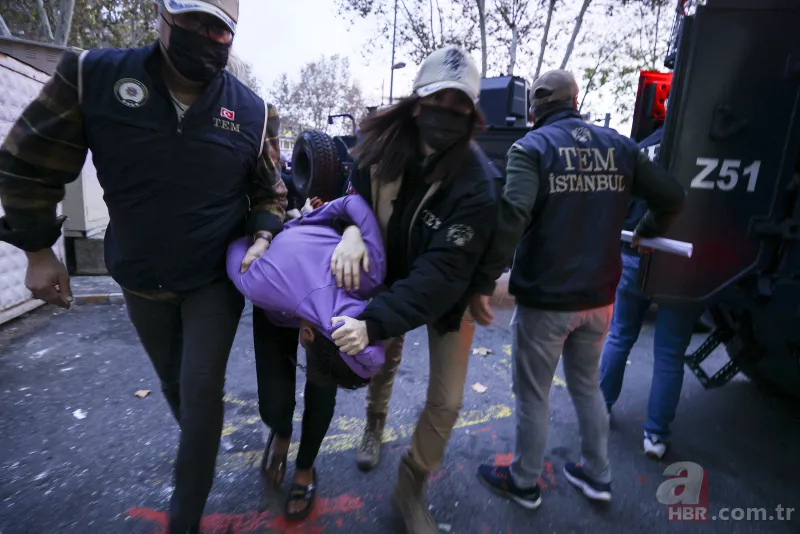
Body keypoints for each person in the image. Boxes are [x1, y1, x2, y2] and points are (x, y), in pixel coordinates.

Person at [0, 1, 287, 532]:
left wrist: (264, 232)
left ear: (231, 34)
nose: (204, 34)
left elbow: (269, 189)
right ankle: (197, 445)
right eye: (192, 19)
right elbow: (27, 162)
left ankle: (186, 515)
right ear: (162, 15)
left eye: (217, 28)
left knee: (201, 391)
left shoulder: (254, 110)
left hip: (213, 281)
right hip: (138, 275)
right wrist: (38, 251)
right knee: (177, 388)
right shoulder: (92, 76)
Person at [472, 70, 686, 509]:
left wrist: (483, 278)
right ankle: (597, 475)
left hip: (547, 301)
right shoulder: (620, 146)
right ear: (576, 99)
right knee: (586, 387)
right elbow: (671, 196)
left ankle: (525, 482)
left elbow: (513, 214)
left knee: (533, 393)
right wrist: (646, 232)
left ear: (534, 108)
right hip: (600, 298)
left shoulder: (530, 148)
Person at [327, 46, 501, 533]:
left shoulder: (477, 185)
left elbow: (440, 278)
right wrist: (353, 230)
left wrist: (372, 320)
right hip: (387, 276)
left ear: (472, 112)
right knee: (383, 361)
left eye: (459, 103)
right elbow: (352, 200)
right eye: (438, 99)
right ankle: (375, 423)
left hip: (448, 293)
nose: (448, 111)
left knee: (447, 399)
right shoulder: (377, 150)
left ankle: (411, 486)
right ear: (417, 103)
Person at [226, 194, 386, 521]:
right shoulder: (260, 282)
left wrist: (352, 231)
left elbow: (355, 206)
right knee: (273, 403)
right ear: (308, 337)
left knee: (321, 399)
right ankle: (281, 431)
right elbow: (237, 250)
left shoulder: (373, 271)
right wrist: (271, 237)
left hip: (299, 297)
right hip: (275, 302)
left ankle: (305, 468)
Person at [599, 101, 704, 460]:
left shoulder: (640, 147)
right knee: (670, 353)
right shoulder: (704, 150)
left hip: (634, 253)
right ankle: (655, 436)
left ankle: (601, 407)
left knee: (620, 334)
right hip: (683, 263)